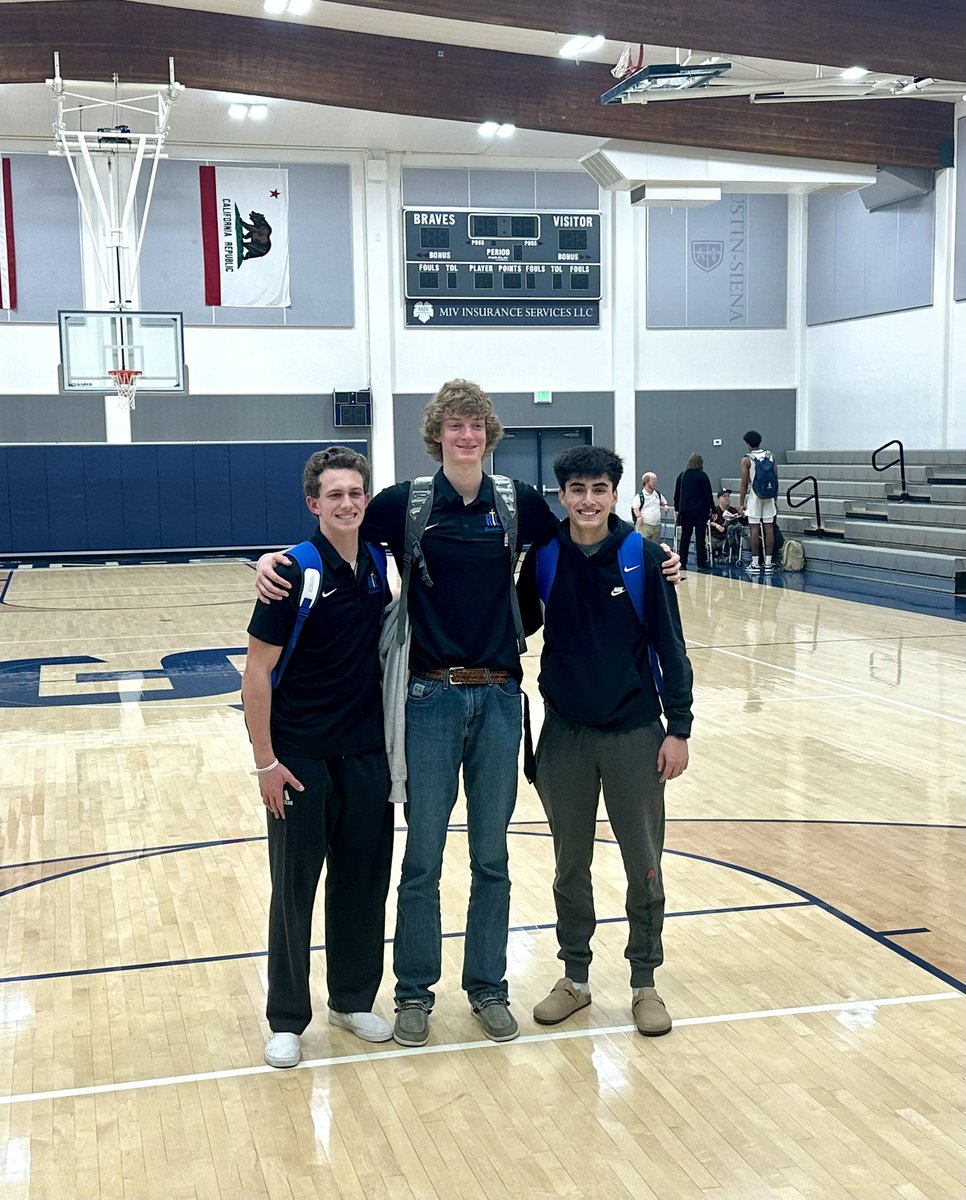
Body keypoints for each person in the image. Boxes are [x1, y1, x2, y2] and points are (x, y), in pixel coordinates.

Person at [254, 381, 683, 1049]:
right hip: (428, 698)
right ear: (437, 434)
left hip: (500, 699)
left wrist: (658, 558)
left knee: (491, 857)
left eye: (475, 424)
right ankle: (415, 992)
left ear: (489, 433)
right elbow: (334, 530)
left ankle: (488, 987)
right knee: (421, 858)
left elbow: (589, 525)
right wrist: (270, 561)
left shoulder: (516, 504)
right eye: (454, 425)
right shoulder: (404, 504)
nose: (465, 435)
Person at [517, 446, 694, 1036]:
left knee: (644, 864)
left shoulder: (642, 557)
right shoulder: (542, 557)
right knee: (570, 866)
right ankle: (576, 978)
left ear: (615, 494)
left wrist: (679, 729)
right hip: (564, 733)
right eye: (576, 489)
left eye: (598, 488)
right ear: (560, 495)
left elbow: (671, 647)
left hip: (635, 733)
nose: (587, 500)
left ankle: (644, 982)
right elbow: (506, 621)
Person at [241, 446, 395, 1070]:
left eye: (355, 493)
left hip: (366, 754)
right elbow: (256, 673)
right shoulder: (290, 574)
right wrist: (265, 762)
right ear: (313, 503)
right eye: (334, 495)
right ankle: (286, 1018)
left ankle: (352, 999)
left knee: (363, 883)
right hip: (300, 758)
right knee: (294, 890)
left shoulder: (383, 564)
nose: (348, 503)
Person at [738, 430, 778, 572]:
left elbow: (744, 483)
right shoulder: (770, 455)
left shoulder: (747, 459)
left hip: (755, 496)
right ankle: (768, 563)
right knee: (769, 529)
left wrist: (741, 504)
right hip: (769, 496)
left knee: (754, 530)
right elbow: (775, 478)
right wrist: (775, 498)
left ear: (748, 444)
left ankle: (755, 563)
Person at [673, 452, 715, 571]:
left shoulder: (682, 475)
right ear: (700, 464)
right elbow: (708, 495)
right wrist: (713, 509)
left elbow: (677, 494)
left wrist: (677, 509)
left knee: (685, 537)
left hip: (685, 510)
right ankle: (701, 563)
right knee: (700, 537)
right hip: (700, 511)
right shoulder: (703, 476)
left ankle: (682, 563)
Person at [630, 472, 668, 543]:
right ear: (647, 482)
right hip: (644, 526)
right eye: (653, 482)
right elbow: (635, 507)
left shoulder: (657, 494)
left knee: (655, 546)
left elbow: (663, 500)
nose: (655, 484)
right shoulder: (639, 496)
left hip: (656, 526)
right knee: (643, 545)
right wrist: (638, 516)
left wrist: (665, 505)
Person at [709, 488, 744, 563]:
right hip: (715, 536)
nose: (727, 498)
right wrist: (716, 525)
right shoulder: (715, 510)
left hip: (726, 537)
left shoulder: (733, 510)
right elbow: (708, 521)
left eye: (728, 496)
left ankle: (728, 554)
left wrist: (740, 515)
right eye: (724, 496)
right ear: (719, 499)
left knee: (733, 528)